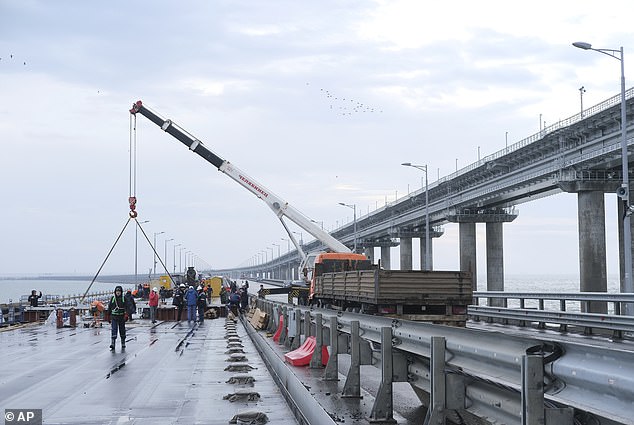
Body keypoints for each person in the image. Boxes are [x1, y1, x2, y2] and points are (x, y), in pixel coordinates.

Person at [108, 285, 126, 350]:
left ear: (121, 292)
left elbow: (127, 307)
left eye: (119, 291)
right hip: (114, 317)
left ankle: (123, 343)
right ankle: (113, 343)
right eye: (117, 291)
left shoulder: (124, 299)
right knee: (114, 330)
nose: (118, 292)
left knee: (122, 330)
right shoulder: (113, 299)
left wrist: (126, 315)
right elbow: (109, 307)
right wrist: (108, 316)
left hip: (121, 317)